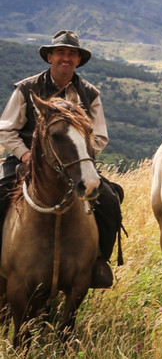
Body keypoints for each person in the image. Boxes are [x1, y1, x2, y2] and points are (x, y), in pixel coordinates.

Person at [0, 30, 123, 288]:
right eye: (60, 53)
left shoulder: (89, 93)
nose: (66, 58)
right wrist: (25, 154)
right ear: (50, 57)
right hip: (26, 158)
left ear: (78, 60)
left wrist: (80, 156)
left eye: (71, 54)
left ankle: (99, 261)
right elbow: (6, 129)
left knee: (110, 200)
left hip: (73, 164)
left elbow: (99, 136)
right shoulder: (27, 88)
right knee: (0, 194)